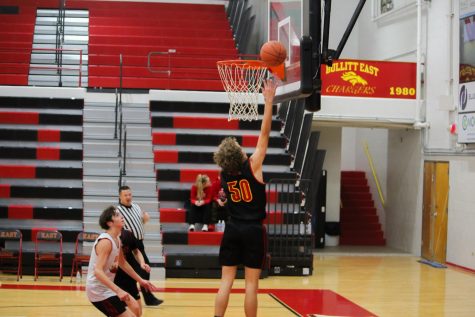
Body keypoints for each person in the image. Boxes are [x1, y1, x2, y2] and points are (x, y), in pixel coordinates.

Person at [213, 79, 277, 317]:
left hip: (232, 228)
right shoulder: (253, 165)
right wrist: (268, 101)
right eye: (240, 146)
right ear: (238, 153)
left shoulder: (223, 174)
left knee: (225, 282)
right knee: (251, 284)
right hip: (252, 230)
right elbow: (265, 133)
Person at [86, 206, 159, 317]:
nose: (121, 216)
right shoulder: (106, 242)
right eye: (117, 215)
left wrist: (141, 280)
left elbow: (122, 262)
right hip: (98, 291)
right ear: (110, 223)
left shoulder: (117, 239)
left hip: (107, 288)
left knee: (135, 307)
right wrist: (118, 291)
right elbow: (98, 271)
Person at [117, 186, 162, 306]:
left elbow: (140, 221)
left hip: (139, 243)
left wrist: (145, 219)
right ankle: (147, 298)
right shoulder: (117, 210)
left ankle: (143, 297)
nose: (128, 197)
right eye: (125, 195)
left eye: (129, 194)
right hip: (128, 244)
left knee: (142, 270)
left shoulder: (136, 206)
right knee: (140, 270)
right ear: (120, 196)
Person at [113, 228, 155, 316]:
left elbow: (136, 251)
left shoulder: (128, 234)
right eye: (118, 216)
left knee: (138, 312)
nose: (122, 218)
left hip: (130, 277)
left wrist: (142, 263)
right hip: (115, 279)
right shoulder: (108, 239)